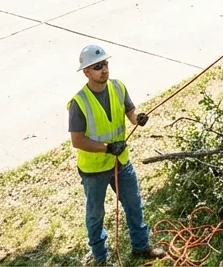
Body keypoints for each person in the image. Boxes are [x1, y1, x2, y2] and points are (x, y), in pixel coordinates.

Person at [68, 43, 167, 264]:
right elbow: (77, 140)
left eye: (105, 64)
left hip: (121, 162)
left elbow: (129, 111)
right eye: (97, 66)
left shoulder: (118, 87)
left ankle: (141, 247)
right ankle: (101, 258)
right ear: (86, 72)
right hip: (94, 170)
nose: (103, 69)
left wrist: (137, 119)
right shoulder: (79, 103)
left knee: (133, 203)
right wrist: (107, 148)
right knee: (96, 216)